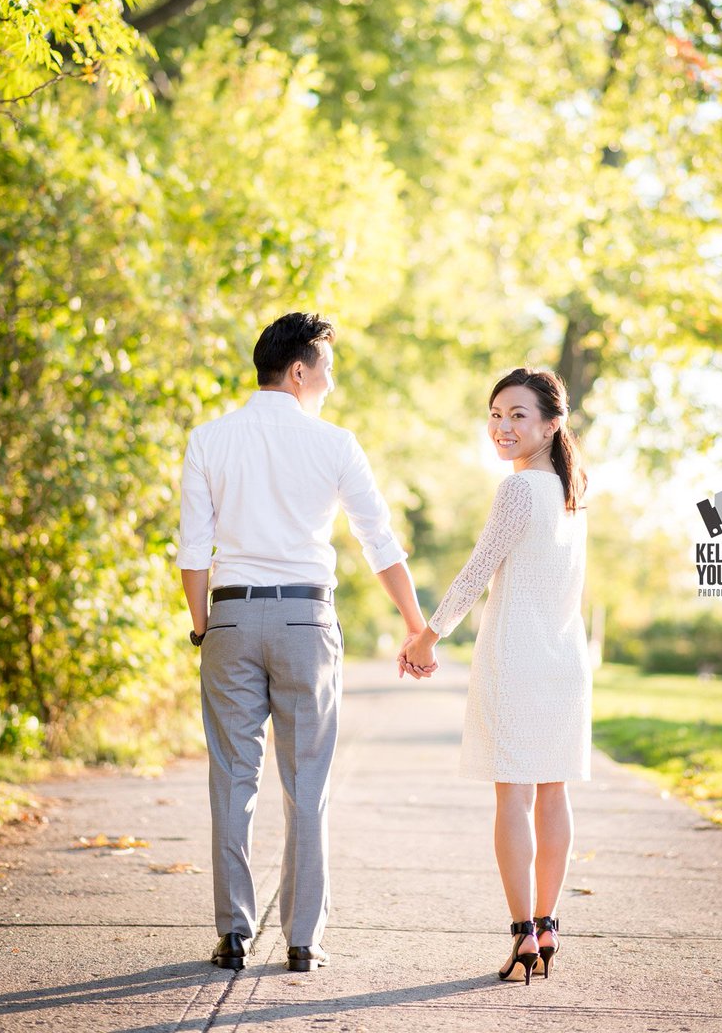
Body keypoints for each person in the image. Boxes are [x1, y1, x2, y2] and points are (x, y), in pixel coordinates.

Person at [177, 312, 427, 973]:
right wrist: (414, 624)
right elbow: (379, 542)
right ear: (298, 371)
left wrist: (203, 626)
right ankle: (302, 940)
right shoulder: (336, 444)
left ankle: (233, 934)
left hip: (231, 618)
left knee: (232, 779)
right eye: (327, 370)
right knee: (306, 783)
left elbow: (193, 551)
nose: (331, 383)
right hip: (306, 623)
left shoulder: (208, 439)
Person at [399, 366, 590, 985]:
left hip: (517, 660)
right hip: (566, 660)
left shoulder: (519, 490)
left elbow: (478, 571)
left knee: (514, 795)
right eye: (496, 415)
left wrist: (427, 636)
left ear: (552, 424)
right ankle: (549, 925)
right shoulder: (573, 493)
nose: (502, 427)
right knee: (554, 791)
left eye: (518, 415)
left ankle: (523, 934)